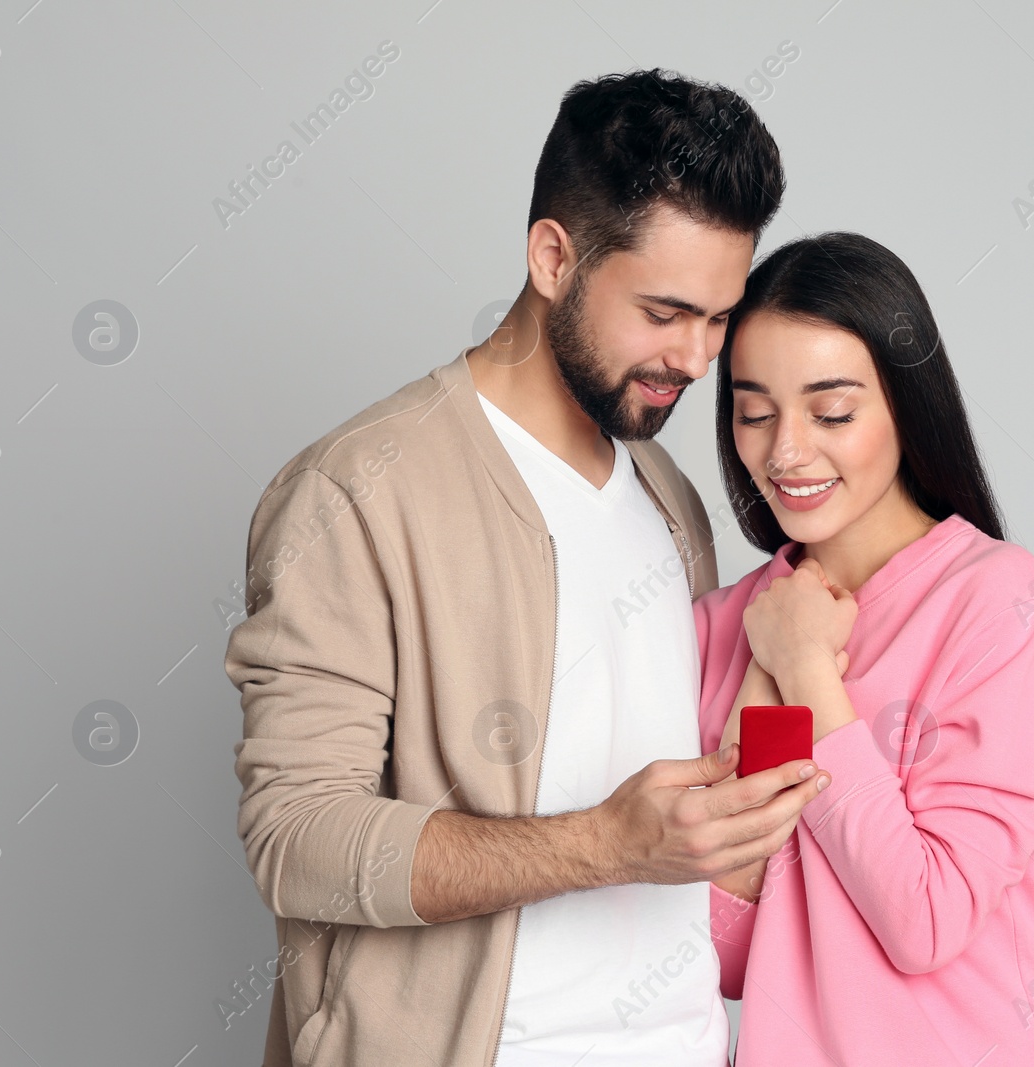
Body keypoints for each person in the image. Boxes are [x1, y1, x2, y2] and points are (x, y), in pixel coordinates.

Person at [224, 70, 832, 1067]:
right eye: (665, 309)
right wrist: (602, 843)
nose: (695, 356)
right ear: (554, 255)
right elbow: (295, 838)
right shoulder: (357, 490)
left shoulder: (670, 500)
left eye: (719, 319)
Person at [695, 233, 1034, 1065]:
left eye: (832, 411)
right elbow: (722, 957)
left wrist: (808, 670)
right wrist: (769, 666)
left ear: (906, 408)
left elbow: (926, 918)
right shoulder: (726, 625)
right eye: (755, 410)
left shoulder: (995, 603)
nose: (787, 451)